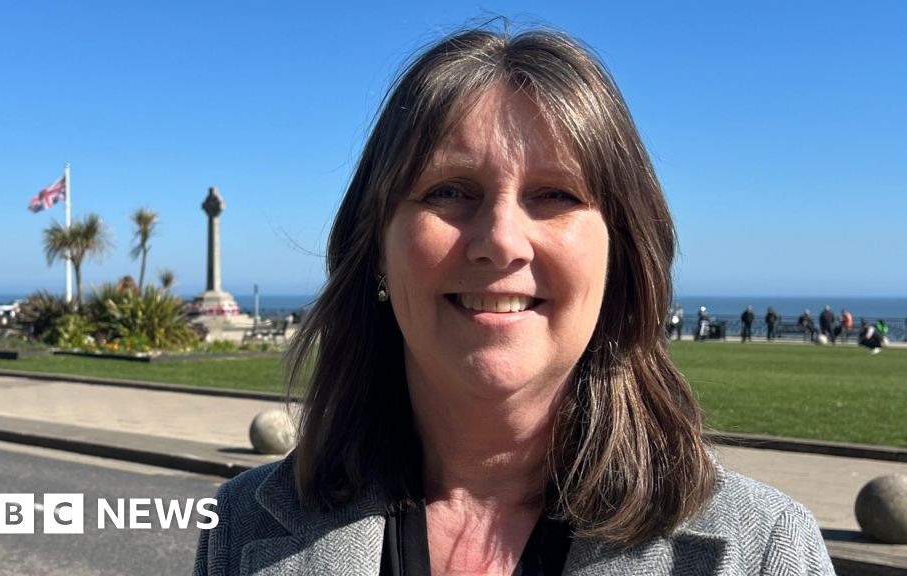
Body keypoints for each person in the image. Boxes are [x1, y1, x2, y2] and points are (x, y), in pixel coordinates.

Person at [194, 26, 833, 576]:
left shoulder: (764, 547)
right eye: (449, 191)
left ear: (621, 255)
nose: (500, 241)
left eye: (555, 195)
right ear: (378, 248)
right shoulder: (243, 524)